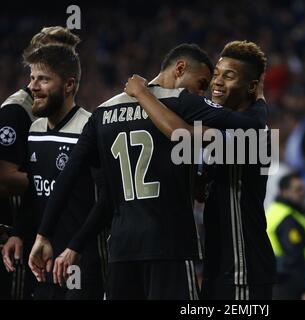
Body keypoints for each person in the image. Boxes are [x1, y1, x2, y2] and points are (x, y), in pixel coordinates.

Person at [29, 43, 266, 300]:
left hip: (121, 251)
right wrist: (261, 98)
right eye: (201, 84)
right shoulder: (181, 103)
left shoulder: (102, 111)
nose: (202, 93)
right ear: (180, 68)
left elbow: (71, 175)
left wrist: (44, 234)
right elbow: (253, 126)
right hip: (170, 248)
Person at [124, 40, 276, 300]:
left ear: (251, 86)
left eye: (229, 76)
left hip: (243, 267)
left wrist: (144, 93)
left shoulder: (253, 135)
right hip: (217, 264)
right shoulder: (225, 124)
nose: (217, 82)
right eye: (216, 74)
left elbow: (180, 133)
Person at [12, 44, 105, 299]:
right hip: (43, 261)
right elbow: (34, 190)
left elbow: (106, 199)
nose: (32, 86)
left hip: (81, 262)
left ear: (69, 85)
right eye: (32, 78)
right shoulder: (35, 129)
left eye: (43, 79)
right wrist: (18, 232)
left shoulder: (90, 127)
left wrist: (76, 246)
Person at [1, 26, 81, 300]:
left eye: (68, 55)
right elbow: (4, 176)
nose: (65, 60)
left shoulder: (69, 116)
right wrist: (58, 183)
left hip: (57, 238)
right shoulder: (18, 111)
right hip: (22, 237)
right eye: (54, 53)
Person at [266, 173, 305, 299]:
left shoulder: (274, 211)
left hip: (276, 279)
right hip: (288, 282)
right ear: (284, 192)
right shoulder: (287, 218)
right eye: (297, 189)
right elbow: (294, 255)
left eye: (302, 189)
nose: (301, 193)